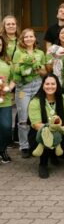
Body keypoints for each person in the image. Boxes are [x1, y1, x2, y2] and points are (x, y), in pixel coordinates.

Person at [28, 74, 64, 178]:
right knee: (46, 136)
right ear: (43, 85)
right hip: (41, 132)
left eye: (53, 84)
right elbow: (36, 125)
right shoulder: (35, 101)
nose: (50, 86)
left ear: (57, 85)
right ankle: (43, 164)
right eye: (47, 84)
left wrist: (60, 130)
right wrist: (50, 130)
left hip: (60, 131)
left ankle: (53, 154)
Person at [13, 28, 46, 158]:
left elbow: (44, 72)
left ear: (34, 38)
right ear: (22, 39)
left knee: (37, 116)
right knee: (23, 118)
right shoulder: (18, 53)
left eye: (31, 36)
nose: (29, 39)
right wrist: (24, 68)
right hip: (23, 88)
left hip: (37, 85)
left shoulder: (40, 53)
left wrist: (36, 68)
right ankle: (24, 146)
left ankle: (35, 143)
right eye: (26, 37)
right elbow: (15, 70)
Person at [0, 35, 15, 163]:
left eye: (0, 44)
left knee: (6, 127)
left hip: (5, 100)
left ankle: (2, 149)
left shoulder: (7, 61)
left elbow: (14, 78)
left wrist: (9, 88)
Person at [46, 26, 64, 96]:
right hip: (57, 84)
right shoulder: (52, 49)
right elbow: (48, 69)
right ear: (58, 36)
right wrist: (55, 60)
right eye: (62, 33)